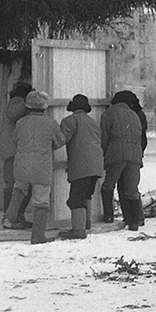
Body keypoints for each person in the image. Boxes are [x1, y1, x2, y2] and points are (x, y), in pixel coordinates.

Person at [3, 90, 66, 245]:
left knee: (19, 189)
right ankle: (38, 236)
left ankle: (8, 219)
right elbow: (59, 142)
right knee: (41, 201)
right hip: (41, 167)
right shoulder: (51, 123)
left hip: (21, 165)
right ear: (45, 107)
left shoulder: (21, 122)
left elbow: (15, 139)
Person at [59, 94, 104, 239]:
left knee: (75, 199)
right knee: (86, 195)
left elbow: (60, 140)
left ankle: (78, 231)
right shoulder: (93, 122)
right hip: (96, 166)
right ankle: (86, 223)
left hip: (81, 166)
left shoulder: (69, 121)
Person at [100, 90, 144, 231]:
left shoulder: (109, 113)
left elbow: (104, 137)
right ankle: (134, 222)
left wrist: (105, 153)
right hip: (135, 155)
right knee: (131, 189)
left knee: (108, 185)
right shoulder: (134, 115)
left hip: (117, 153)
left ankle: (108, 216)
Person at [0, 79, 33, 228]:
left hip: (12, 150)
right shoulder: (16, 103)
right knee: (16, 185)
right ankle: (11, 218)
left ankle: (14, 216)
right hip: (14, 151)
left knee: (15, 185)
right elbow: (14, 113)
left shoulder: (14, 103)